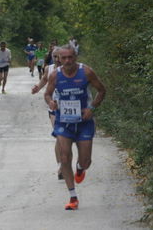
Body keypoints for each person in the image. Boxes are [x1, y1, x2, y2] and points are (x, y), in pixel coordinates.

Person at [44, 45, 106, 210]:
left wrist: (91, 108)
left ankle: (80, 168)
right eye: (63, 58)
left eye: (70, 57)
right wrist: (51, 102)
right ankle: (73, 197)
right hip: (63, 121)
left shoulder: (86, 72)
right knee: (64, 157)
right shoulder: (55, 75)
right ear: (59, 59)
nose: (67, 61)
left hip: (84, 122)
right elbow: (47, 94)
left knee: (85, 161)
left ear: (75, 57)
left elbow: (101, 90)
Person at [32, 47, 63, 179]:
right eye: (54, 56)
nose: (57, 59)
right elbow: (44, 80)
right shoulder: (49, 69)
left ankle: (65, 163)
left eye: (59, 56)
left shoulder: (71, 68)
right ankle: (61, 166)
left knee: (66, 139)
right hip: (54, 109)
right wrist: (37, 87)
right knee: (59, 136)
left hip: (68, 109)